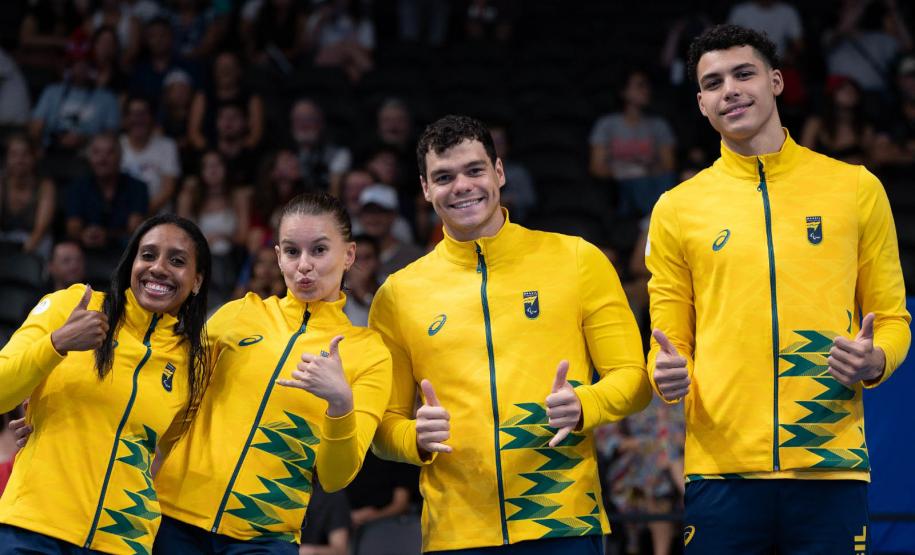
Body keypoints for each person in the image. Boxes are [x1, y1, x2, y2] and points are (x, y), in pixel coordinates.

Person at [646, 24, 911, 554]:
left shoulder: (855, 188)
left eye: (744, 74)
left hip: (831, 467)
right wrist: (665, 374)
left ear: (776, 81)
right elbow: (668, 344)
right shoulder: (677, 208)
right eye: (714, 82)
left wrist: (876, 359)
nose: (731, 90)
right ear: (701, 104)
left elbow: (893, 317)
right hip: (721, 473)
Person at [369, 115, 651, 553]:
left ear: (498, 172)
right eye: (444, 177)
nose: (461, 186)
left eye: (474, 170)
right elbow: (382, 428)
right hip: (456, 533)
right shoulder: (397, 295)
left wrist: (584, 405)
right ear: (425, 189)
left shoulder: (577, 259)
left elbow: (634, 379)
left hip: (562, 523)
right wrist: (414, 439)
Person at [152, 192, 392, 554]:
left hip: (267, 538)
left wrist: (340, 403)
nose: (304, 265)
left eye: (320, 250)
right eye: (292, 251)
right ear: (278, 257)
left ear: (349, 255)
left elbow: (335, 476)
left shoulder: (369, 353)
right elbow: (166, 397)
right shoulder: (237, 315)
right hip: (174, 521)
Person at [0, 214, 212, 554]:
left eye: (177, 261)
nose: (158, 268)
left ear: (197, 280)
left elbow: (169, 459)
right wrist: (56, 343)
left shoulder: (193, 362)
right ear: (132, 263)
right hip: (34, 527)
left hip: (122, 542)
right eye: (148, 255)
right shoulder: (72, 306)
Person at [65, 133, 149, 250]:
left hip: (125, 253)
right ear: (89, 158)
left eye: (110, 153)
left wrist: (107, 235)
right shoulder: (77, 187)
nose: (102, 159)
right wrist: (83, 234)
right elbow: (72, 226)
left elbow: (135, 229)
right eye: (96, 153)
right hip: (85, 252)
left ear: (120, 157)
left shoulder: (137, 187)